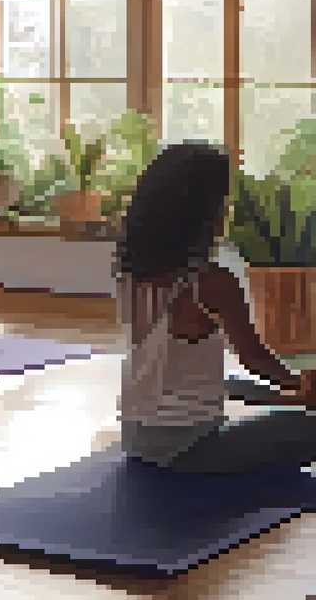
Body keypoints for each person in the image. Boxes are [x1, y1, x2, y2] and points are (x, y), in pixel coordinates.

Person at [118, 142, 316, 474]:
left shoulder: (129, 269)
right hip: (187, 449)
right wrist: (301, 385)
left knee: (238, 386)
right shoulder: (209, 281)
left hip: (137, 438)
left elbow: (228, 376)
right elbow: (255, 359)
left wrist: (294, 390)